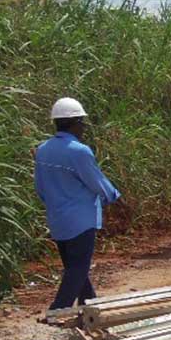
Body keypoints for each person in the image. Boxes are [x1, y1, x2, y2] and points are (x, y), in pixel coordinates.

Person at [34, 98, 121, 311]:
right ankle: (58, 309)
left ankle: (89, 302)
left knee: (73, 266)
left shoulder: (43, 150)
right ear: (74, 123)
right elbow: (96, 180)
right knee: (78, 267)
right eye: (82, 123)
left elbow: (40, 188)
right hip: (81, 220)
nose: (83, 128)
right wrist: (114, 197)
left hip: (58, 219)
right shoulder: (79, 151)